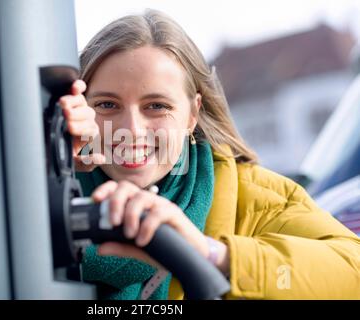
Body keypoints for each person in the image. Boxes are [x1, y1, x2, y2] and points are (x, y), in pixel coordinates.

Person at [59, 9, 360, 299]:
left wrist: (211, 253)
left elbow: (353, 273)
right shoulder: (48, 196)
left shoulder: (256, 197)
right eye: (107, 105)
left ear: (192, 114)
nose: (133, 130)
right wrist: (53, 171)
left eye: (157, 106)